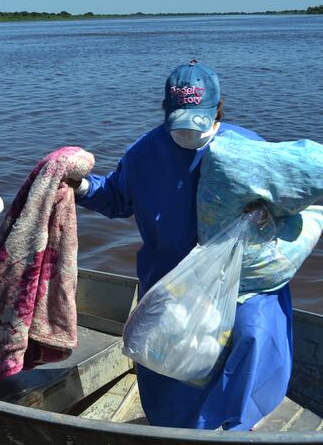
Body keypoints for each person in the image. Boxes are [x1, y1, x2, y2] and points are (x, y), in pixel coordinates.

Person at [72, 60, 293, 430]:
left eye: (199, 119)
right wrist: (80, 186)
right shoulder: (144, 153)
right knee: (165, 362)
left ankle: (237, 424)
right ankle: (175, 430)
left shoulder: (248, 147)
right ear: (166, 111)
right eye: (181, 120)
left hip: (239, 283)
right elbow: (116, 197)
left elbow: (288, 203)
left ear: (219, 109)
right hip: (170, 280)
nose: (189, 132)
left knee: (254, 332)